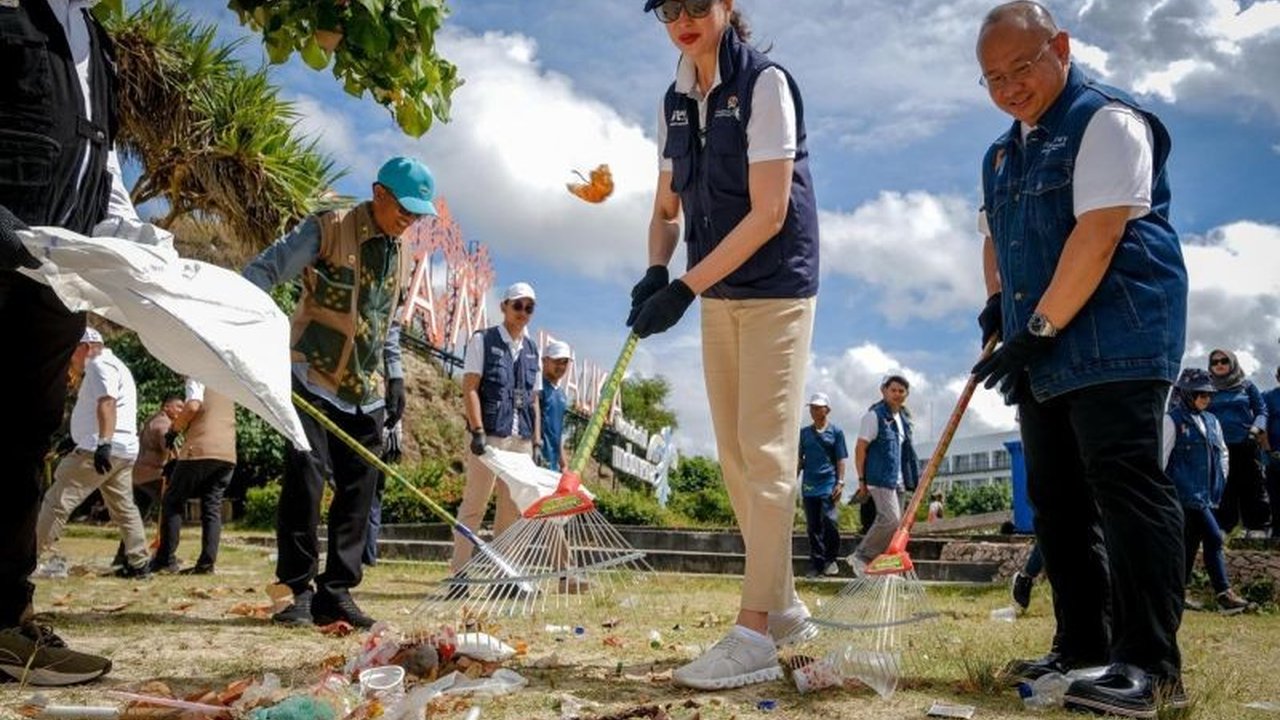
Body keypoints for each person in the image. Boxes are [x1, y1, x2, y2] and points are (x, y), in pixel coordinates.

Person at [973, 3, 1189, 716]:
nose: (1010, 87)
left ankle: (1148, 667)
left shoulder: (1107, 120)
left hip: (1118, 336)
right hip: (1041, 341)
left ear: (1060, 47)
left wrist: (1037, 327)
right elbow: (995, 238)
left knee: (1125, 491)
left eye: (1022, 67)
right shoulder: (1000, 154)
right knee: (1056, 499)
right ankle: (1081, 647)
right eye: (994, 78)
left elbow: (1099, 233)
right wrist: (997, 305)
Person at [628, 0, 820, 690]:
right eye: (667, 7)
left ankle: (754, 634)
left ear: (727, 5)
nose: (683, 18)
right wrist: (657, 268)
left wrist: (684, 287)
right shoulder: (675, 101)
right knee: (737, 459)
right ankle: (787, 608)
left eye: (697, 3)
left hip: (777, 287)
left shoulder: (766, 85)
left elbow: (769, 213)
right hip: (717, 293)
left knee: (766, 454)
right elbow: (666, 208)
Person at [0, 0, 163, 684]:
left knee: (19, 442)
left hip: (53, 280)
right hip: (6, 250)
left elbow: (101, 163)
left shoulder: (94, 36)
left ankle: (6, 626)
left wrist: (133, 240)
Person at [243, 156, 432, 629]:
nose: (409, 220)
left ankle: (336, 592)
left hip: (366, 392)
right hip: (313, 377)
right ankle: (295, 590)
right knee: (305, 483)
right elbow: (263, 271)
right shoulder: (329, 228)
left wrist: (395, 377)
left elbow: (388, 323)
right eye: (404, 208)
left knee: (359, 493)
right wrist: (254, 335)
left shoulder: (401, 253)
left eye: (417, 214)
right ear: (379, 193)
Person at [36, 328, 150, 580]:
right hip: (124, 449)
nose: (71, 361)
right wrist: (74, 438)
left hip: (100, 448)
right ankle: (140, 564)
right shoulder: (118, 366)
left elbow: (107, 403)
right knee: (124, 508)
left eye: (71, 353)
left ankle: (28, 559)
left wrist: (103, 443)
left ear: (85, 347)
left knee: (56, 502)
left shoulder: (98, 365)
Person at [451, 282, 542, 574]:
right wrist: (477, 430)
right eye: (517, 305)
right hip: (490, 435)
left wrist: (536, 442)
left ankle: (503, 574)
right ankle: (459, 572)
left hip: (521, 439)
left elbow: (534, 401)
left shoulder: (532, 349)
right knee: (474, 504)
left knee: (512, 509)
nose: (523, 312)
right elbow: (470, 388)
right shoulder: (483, 340)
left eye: (529, 307)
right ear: (504, 306)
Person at [1164, 368, 1252, 615]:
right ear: (1187, 394)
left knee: (1190, 544)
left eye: (1209, 394)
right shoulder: (1172, 420)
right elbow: (1162, 458)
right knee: (1214, 537)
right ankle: (1224, 594)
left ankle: (1176, 594)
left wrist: (1219, 481)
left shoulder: (1212, 420)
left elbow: (1222, 453)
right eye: (1200, 394)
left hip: (1207, 494)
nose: (1206, 398)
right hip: (1182, 494)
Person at [149, 378, 237, 575]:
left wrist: (174, 430)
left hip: (200, 449)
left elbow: (192, 406)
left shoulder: (197, 373)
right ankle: (206, 564)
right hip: (227, 453)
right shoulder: (227, 382)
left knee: (172, 501)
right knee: (212, 508)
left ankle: (165, 560)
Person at [847, 375, 920, 576]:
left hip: (899, 480)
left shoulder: (903, 420)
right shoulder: (874, 416)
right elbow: (860, 448)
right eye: (893, 390)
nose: (897, 394)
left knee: (897, 527)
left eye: (901, 391)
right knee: (890, 519)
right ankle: (861, 555)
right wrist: (861, 479)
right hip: (879, 478)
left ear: (906, 394)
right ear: (884, 391)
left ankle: (883, 568)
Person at [109, 395, 183, 568]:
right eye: (178, 407)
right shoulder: (164, 424)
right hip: (155, 476)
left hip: (139, 475)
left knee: (135, 517)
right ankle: (166, 557)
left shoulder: (152, 420)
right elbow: (169, 449)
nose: (181, 411)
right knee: (171, 512)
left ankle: (123, 555)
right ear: (166, 407)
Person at [1205, 349, 1270, 538]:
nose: (1219, 365)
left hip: (1245, 443)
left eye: (1224, 361)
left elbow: (1261, 410)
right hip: (1217, 446)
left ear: (1232, 362)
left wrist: (1255, 431)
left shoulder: (1246, 386)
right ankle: (1224, 526)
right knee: (1223, 485)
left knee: (1252, 484)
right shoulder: (1206, 387)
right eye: (1215, 362)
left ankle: (1257, 527)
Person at [797, 392, 847, 578]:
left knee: (829, 520)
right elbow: (799, 459)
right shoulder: (804, 433)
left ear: (827, 410)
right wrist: (793, 479)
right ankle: (816, 564)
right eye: (812, 408)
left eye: (818, 408)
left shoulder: (836, 432)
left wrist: (840, 482)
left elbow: (841, 459)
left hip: (828, 482)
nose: (814, 411)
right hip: (809, 483)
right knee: (813, 526)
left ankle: (830, 559)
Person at [539, 339, 573, 473]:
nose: (561, 366)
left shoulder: (562, 395)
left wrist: (563, 464)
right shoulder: (537, 388)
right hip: (534, 459)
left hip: (552, 466)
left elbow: (557, 433)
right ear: (544, 360)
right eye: (556, 361)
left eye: (564, 362)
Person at [1263, 366, 1280, 537]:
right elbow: (1262, 424)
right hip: (1275, 456)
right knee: (1275, 495)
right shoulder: (1268, 397)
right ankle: (1277, 533)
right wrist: (1268, 449)